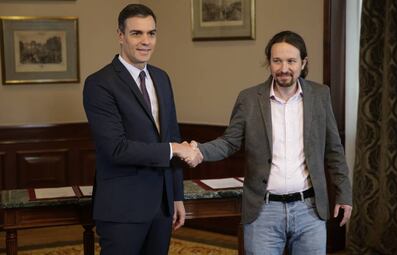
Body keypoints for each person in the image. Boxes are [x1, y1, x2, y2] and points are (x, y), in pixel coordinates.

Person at [187, 31, 352, 255]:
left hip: (310, 211)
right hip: (263, 212)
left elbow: (334, 150)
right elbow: (229, 143)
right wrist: (199, 151)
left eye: (291, 61)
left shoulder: (320, 96)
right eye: (277, 61)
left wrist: (344, 194)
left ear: (303, 63)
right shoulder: (248, 99)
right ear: (269, 62)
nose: (284, 68)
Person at [83, 4, 195, 255]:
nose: (146, 41)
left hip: (163, 206)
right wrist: (173, 149)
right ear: (120, 36)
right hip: (122, 208)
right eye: (137, 33)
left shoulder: (162, 78)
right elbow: (116, 149)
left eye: (151, 33)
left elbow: (172, 135)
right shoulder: (99, 84)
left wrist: (176, 196)